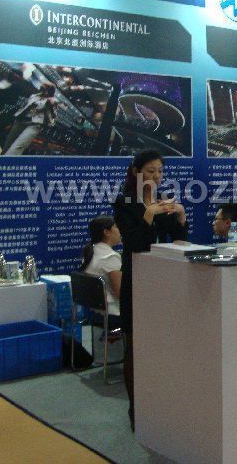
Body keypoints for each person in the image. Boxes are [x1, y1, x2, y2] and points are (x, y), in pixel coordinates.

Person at [113, 150, 187, 431]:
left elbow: (177, 241)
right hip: (136, 280)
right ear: (136, 172)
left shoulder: (159, 199)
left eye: (159, 171)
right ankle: (136, 411)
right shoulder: (124, 201)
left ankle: (159, 407)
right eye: (150, 171)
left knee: (160, 345)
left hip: (161, 281)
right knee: (134, 347)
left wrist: (180, 216)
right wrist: (148, 214)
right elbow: (134, 244)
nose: (156, 176)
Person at [82, 216, 122, 322]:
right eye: (116, 227)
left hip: (93, 311)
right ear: (106, 232)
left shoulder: (90, 251)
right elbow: (120, 293)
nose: (120, 231)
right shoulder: (111, 257)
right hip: (113, 313)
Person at [1, 82, 57, 155]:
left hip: (35, 125)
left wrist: (51, 105)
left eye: (45, 85)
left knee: (19, 145)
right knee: (8, 143)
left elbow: (53, 116)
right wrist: (16, 118)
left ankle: (7, 160)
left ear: (49, 89)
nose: (41, 86)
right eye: (42, 84)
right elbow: (23, 107)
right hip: (21, 121)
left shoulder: (53, 101)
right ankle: (1, 158)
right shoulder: (34, 96)